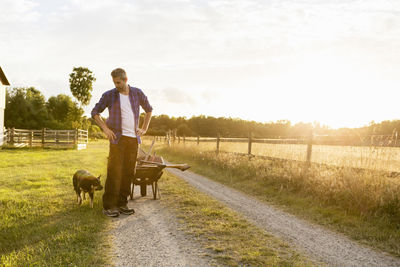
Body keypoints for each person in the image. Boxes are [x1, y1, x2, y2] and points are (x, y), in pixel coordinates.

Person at [91, 68, 153, 217]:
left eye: (118, 82)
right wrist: (105, 129)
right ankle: (109, 206)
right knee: (114, 172)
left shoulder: (137, 93)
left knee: (128, 172)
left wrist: (143, 129)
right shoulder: (109, 95)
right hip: (117, 139)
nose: (116, 85)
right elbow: (95, 112)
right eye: (114, 82)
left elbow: (149, 110)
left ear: (125, 80)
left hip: (133, 140)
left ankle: (122, 203)